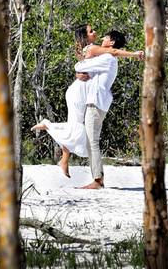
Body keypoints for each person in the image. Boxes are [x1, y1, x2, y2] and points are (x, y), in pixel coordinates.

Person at [32, 24, 142, 179]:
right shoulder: (93, 49)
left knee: (78, 129)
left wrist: (79, 72)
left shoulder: (91, 50)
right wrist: (134, 54)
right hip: (79, 93)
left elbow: (88, 67)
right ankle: (49, 128)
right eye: (91, 31)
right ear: (85, 36)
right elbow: (114, 52)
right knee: (77, 129)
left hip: (84, 91)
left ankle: (63, 159)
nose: (97, 33)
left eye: (99, 32)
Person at [74, 28, 137, 189]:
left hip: (96, 102)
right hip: (96, 101)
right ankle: (97, 178)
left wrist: (80, 68)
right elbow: (83, 69)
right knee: (90, 141)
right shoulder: (107, 58)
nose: (102, 38)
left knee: (92, 141)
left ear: (112, 42)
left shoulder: (108, 58)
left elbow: (80, 65)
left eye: (106, 37)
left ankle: (97, 180)